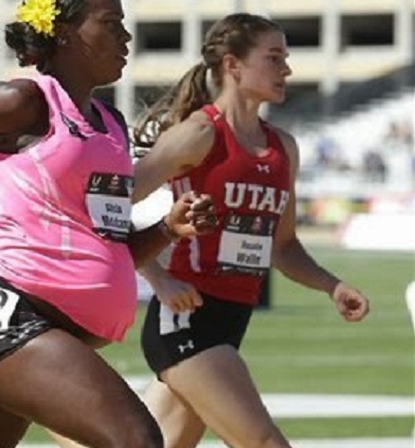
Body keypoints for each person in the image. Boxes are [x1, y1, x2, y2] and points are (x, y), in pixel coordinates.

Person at [0, 1, 216, 447]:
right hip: (9, 320)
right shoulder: (25, 101)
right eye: (112, 24)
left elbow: (111, 247)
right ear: (66, 32)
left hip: (46, 334)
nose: (126, 38)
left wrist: (168, 228)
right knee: (137, 439)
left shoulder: (110, 123)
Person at [128, 13, 370, 448]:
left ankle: (44, 414)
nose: (287, 70)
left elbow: (285, 245)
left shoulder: (283, 148)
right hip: (186, 321)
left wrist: (332, 286)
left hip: (231, 321)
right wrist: (158, 277)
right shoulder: (198, 134)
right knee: (265, 444)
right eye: (274, 58)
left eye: (286, 58)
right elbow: (109, 206)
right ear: (232, 65)